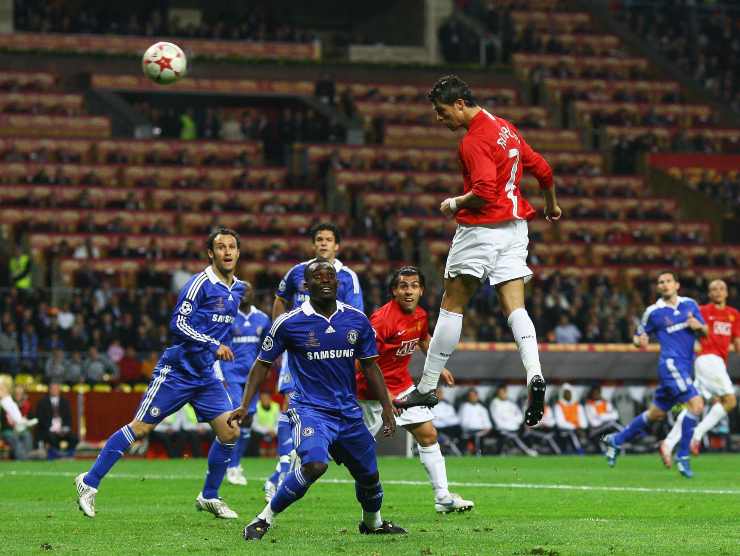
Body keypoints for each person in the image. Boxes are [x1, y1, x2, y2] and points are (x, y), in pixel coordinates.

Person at [395, 75, 561, 431]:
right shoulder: (506, 128)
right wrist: (552, 206)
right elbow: (542, 169)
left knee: (452, 304)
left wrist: (454, 202)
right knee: (515, 306)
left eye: (442, 113)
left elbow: (484, 190)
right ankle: (534, 372)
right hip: (516, 229)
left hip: (482, 230)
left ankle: (425, 387)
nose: (441, 120)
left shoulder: (473, 141)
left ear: (459, 104)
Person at [74, 228, 246, 518]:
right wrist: (211, 343)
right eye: (220, 247)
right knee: (140, 428)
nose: (227, 252)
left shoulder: (238, 288)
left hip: (205, 375)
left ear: (238, 252)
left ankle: (209, 496)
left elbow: (220, 327)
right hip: (177, 371)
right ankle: (88, 482)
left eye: (232, 247)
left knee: (230, 431)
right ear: (210, 253)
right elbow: (178, 323)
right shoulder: (199, 284)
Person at [229, 259, 406, 541]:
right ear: (306, 285)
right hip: (310, 410)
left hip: (348, 412)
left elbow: (371, 366)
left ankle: (373, 523)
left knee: (370, 476)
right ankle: (264, 519)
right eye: (318, 277)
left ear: (337, 283)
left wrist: (387, 407)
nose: (325, 280)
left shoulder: (356, 320)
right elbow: (262, 364)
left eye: (330, 276)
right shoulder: (288, 323)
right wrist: (243, 403)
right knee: (314, 464)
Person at [356, 266, 474, 513]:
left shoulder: (420, 315)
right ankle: (299, 468)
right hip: (370, 392)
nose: (408, 291)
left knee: (428, 434)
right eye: (403, 286)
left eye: (413, 286)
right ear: (394, 291)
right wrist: (384, 395)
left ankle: (443, 497)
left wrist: (438, 365)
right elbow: (363, 360)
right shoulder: (381, 320)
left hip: (403, 386)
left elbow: (423, 339)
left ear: (421, 290)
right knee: (356, 450)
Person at [265, 222, 364, 502]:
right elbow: (280, 299)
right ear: (313, 245)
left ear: (337, 246)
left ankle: (288, 469)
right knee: (290, 403)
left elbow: (355, 315)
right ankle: (282, 469)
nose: (323, 243)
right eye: (319, 239)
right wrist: (280, 334)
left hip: (329, 355)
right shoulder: (297, 271)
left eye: (328, 240)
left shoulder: (347, 277)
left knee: (318, 408)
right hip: (298, 349)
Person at [604, 271, 707, 478]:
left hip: (685, 366)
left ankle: (616, 440)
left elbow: (705, 331)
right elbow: (638, 336)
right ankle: (683, 456)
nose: (665, 284)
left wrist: (699, 327)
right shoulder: (653, 312)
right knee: (697, 405)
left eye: (668, 281)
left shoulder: (690, 305)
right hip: (670, 364)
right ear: (658, 288)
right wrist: (638, 342)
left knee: (656, 414)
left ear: (677, 285)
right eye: (661, 282)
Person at [660, 279, 739, 462]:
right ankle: (697, 434)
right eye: (713, 289)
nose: (718, 292)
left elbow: (737, 343)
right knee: (730, 400)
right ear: (709, 294)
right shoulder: (703, 311)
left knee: (695, 406)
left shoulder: (734, 314)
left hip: (717, 363)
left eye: (721, 288)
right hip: (708, 359)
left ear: (727, 293)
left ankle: (669, 443)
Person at [217, 282, 271, 486]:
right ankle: (230, 466)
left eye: (247, 291)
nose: (244, 294)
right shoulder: (228, 318)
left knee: (248, 421)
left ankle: (234, 464)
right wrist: (220, 374)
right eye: (240, 291)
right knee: (236, 420)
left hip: (252, 377)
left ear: (253, 294)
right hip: (231, 374)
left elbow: (268, 349)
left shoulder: (263, 319)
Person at [489, 384, 537, 456]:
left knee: (527, 431)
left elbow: (519, 416)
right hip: (502, 429)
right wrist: (510, 422)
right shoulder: (495, 403)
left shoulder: (511, 403)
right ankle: (527, 451)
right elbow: (497, 420)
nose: (503, 394)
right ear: (498, 393)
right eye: (501, 392)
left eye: (504, 392)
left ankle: (530, 449)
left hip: (515, 427)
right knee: (513, 436)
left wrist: (513, 422)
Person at [36, 382, 77, 458]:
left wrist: (64, 428)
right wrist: (51, 429)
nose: (55, 390)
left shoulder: (65, 402)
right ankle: (56, 455)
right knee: (51, 437)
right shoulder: (42, 402)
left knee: (74, 437)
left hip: (62, 429)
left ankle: (68, 455)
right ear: (49, 390)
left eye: (56, 389)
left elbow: (68, 418)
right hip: (49, 430)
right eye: (53, 389)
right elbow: (40, 419)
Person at [584, 385, 622, 452]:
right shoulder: (589, 405)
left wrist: (601, 416)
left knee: (613, 426)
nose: (596, 395)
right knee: (613, 425)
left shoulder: (606, 403)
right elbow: (594, 423)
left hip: (608, 427)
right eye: (595, 393)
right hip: (595, 431)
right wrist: (607, 416)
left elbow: (615, 415)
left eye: (598, 393)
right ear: (591, 394)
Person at [458, 388, 493, 455]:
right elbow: (462, 423)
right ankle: (477, 454)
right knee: (477, 436)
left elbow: (488, 424)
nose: (473, 397)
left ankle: (482, 454)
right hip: (469, 430)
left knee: (480, 435)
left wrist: (486, 429)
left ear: (477, 396)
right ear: (468, 397)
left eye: (474, 395)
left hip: (483, 431)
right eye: (471, 396)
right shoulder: (464, 407)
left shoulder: (482, 408)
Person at [554, 383, 587, 454]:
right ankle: (579, 450)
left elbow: (583, 420)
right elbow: (560, 423)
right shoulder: (558, 406)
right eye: (565, 393)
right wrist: (575, 427)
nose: (567, 395)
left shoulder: (578, 406)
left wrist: (580, 427)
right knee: (572, 433)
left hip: (579, 429)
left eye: (569, 393)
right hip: (565, 429)